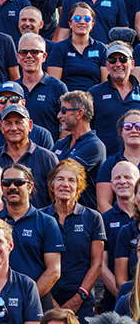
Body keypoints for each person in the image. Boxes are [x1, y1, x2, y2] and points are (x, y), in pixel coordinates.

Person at [42, 159, 105, 318]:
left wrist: (77, 299)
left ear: (79, 187)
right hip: (45, 297)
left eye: (71, 180)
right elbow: (34, 262)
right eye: (60, 179)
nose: (65, 184)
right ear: (52, 185)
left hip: (82, 300)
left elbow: (96, 264)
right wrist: (50, 300)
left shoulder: (93, 218)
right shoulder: (39, 217)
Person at [0, 164, 64, 309]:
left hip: (38, 304)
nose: (11, 187)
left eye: (18, 182)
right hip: (1, 304)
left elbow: (54, 270)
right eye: (6, 183)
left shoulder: (46, 222)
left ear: (30, 187)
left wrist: (27, 299)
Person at [0, 104, 58, 207]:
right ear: (1, 127)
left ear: (30, 125)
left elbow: (56, 198)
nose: (13, 128)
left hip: (38, 222)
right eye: (8, 123)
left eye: (19, 122)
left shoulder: (47, 158)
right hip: (1, 221)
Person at [53, 90, 107, 209]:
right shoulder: (60, 144)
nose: (59, 116)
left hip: (83, 216)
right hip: (59, 211)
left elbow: (64, 171)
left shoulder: (94, 145)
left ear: (79, 113)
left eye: (64, 110)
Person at [101, 161, 140, 312]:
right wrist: (127, 300)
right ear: (111, 184)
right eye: (117, 178)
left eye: (127, 177)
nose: (122, 181)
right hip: (121, 303)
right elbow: (101, 266)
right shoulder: (103, 220)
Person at [90, 42, 140, 156]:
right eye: (113, 60)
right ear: (107, 65)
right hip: (104, 162)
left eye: (123, 59)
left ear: (132, 64)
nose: (118, 64)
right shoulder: (93, 94)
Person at [17, 33, 68, 141]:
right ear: (18, 57)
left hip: (47, 154)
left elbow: (67, 126)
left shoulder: (58, 87)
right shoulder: (12, 89)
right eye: (23, 52)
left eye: (34, 52)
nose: (29, 56)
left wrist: (56, 154)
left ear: (44, 57)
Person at [47, 3, 108, 92]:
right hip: (67, 101)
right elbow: (54, 84)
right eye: (77, 18)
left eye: (87, 19)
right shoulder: (59, 48)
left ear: (92, 25)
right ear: (70, 24)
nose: (82, 22)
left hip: (93, 101)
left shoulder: (101, 49)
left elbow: (105, 84)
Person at [99, 112, 140, 212]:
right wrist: (124, 222)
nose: (133, 130)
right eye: (127, 127)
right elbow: (103, 203)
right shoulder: (110, 164)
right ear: (121, 132)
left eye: (138, 126)